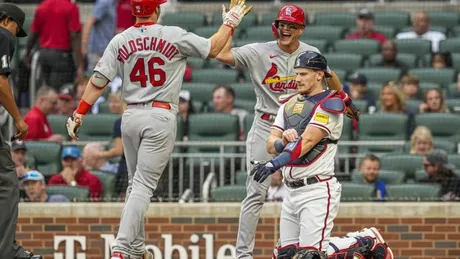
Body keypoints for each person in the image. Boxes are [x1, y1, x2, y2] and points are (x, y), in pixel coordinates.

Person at [65, 0, 252, 257]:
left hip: (130, 115)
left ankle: (137, 248)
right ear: (157, 10)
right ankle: (120, 249)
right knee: (142, 186)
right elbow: (213, 48)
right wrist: (230, 22)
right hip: (159, 115)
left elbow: (98, 81)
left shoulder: (120, 40)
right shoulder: (172, 34)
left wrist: (79, 113)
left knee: (134, 185)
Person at [215, 6, 359, 258]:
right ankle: (243, 255)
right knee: (256, 191)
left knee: (305, 183)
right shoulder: (259, 50)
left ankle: (325, 242)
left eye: (291, 25)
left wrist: (343, 98)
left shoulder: (311, 54)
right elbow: (220, 53)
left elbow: (331, 76)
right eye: (282, 24)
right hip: (267, 122)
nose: (285, 29)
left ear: (301, 29)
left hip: (303, 122)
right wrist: (231, 24)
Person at [251, 51, 390, 259]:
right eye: (297, 73)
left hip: (317, 189)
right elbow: (270, 143)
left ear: (319, 75)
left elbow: (306, 142)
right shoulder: (287, 105)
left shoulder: (331, 103)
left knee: (310, 256)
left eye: (304, 74)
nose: (298, 79)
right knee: (286, 255)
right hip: (291, 191)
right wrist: (282, 142)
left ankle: (365, 240)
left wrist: (273, 165)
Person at [0, 3, 42, 259]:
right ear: (7, 21)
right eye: (17, 28)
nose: (16, 34)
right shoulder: (3, 35)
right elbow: (0, 81)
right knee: (6, 183)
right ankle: (6, 252)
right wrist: (19, 119)